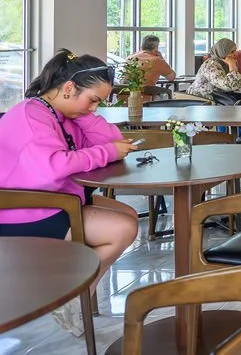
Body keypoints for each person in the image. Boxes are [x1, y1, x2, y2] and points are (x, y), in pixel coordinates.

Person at [0, 50, 138, 336]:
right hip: (23, 210)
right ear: (68, 88)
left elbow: (115, 141)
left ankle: (74, 292)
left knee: (129, 214)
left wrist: (84, 114)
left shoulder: (59, 112)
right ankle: (70, 293)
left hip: (58, 199)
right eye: (93, 100)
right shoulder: (31, 115)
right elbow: (51, 170)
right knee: (123, 228)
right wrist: (105, 151)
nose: (94, 108)